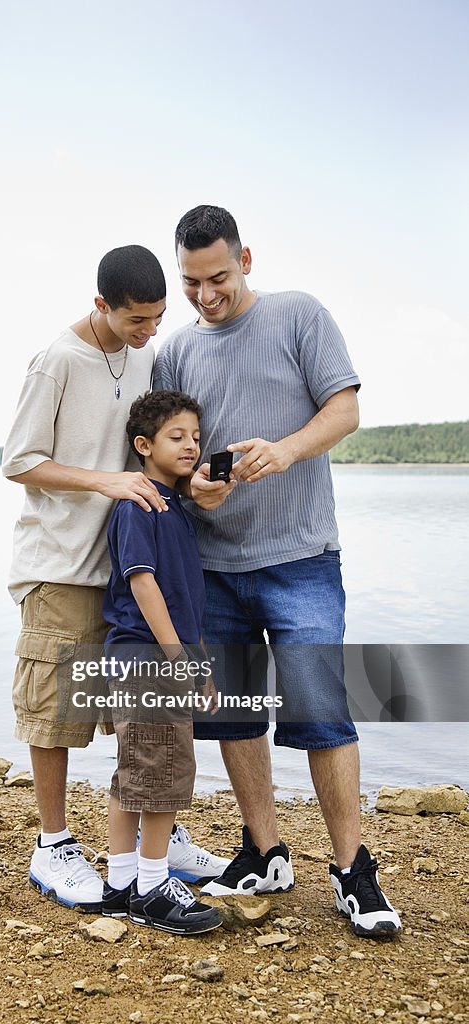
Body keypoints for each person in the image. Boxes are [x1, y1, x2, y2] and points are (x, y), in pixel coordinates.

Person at [153, 205, 401, 938]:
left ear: (247, 259)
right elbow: (174, 455)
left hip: (300, 560)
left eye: (218, 277)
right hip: (213, 565)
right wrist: (192, 486)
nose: (206, 295)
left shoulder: (299, 316)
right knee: (231, 713)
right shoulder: (174, 352)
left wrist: (288, 450)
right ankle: (264, 851)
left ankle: (353, 870)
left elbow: (346, 409)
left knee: (323, 712)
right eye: (192, 282)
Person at [2, 245, 228, 913]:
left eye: (158, 318)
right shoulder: (57, 360)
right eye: (137, 320)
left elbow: (156, 446)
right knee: (56, 711)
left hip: (127, 576)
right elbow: (19, 460)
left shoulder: (143, 355)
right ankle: (53, 845)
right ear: (102, 304)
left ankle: (156, 839)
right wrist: (105, 481)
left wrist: (196, 487)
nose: (149, 332)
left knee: (140, 721)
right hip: (64, 565)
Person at [99, 389, 222, 934]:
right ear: (144, 445)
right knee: (164, 772)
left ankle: (122, 880)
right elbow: (142, 582)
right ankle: (151, 887)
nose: (191, 445)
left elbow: (182, 594)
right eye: (177, 437)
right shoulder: (138, 503)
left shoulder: (175, 507)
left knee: (137, 770)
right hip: (146, 658)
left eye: (196, 436)